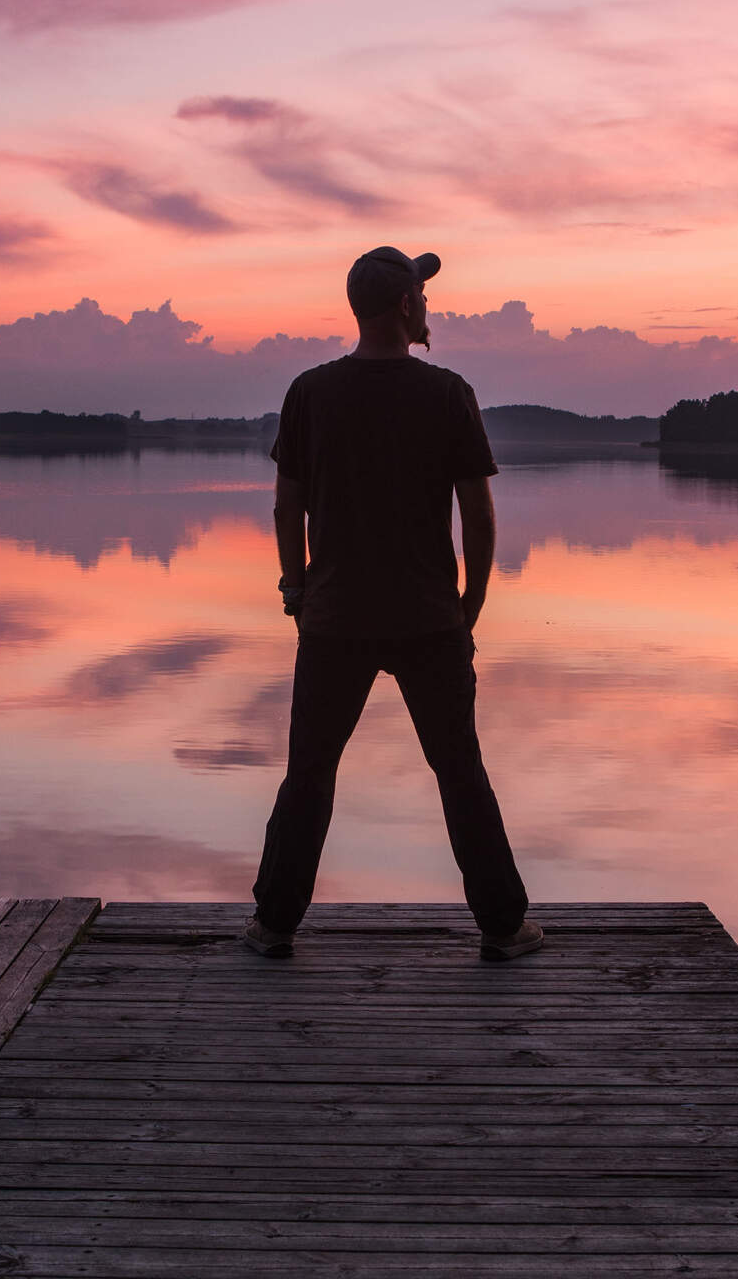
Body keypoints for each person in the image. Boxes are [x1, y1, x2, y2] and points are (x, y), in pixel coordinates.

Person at [246, 246, 542, 962]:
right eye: (425, 297)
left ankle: (273, 926)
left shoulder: (309, 392)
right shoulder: (446, 393)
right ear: (407, 306)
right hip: (427, 618)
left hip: (334, 618)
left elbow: (288, 508)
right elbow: (477, 512)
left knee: (310, 771)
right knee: (459, 769)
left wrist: (295, 587)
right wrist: (470, 603)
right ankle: (503, 928)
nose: (430, 309)